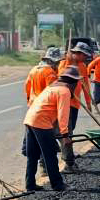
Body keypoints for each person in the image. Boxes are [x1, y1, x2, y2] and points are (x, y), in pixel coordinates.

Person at [22, 63, 79, 192]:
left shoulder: (51, 87)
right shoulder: (64, 91)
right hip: (41, 122)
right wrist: (65, 136)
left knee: (33, 154)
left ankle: (30, 184)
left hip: (30, 119)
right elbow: (63, 115)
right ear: (73, 82)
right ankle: (58, 185)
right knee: (50, 154)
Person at [59, 42, 94, 170]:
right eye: (84, 55)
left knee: (71, 128)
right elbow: (61, 80)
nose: (86, 58)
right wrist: (68, 60)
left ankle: (68, 154)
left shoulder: (82, 66)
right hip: (64, 102)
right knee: (66, 131)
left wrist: (89, 102)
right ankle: (68, 161)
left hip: (75, 103)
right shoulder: (64, 63)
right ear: (77, 53)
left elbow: (85, 84)